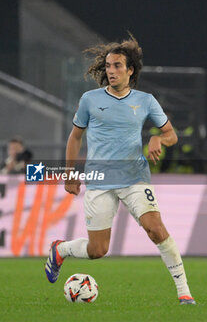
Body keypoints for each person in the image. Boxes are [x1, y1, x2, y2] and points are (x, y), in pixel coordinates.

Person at [45, 34, 196, 305]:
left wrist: (158, 138)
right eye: (108, 66)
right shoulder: (90, 99)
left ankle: (184, 292)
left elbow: (172, 135)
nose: (110, 71)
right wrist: (69, 173)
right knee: (97, 250)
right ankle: (61, 249)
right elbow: (75, 137)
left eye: (116, 66)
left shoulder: (146, 101)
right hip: (100, 180)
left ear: (130, 71)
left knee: (156, 229)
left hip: (134, 177)